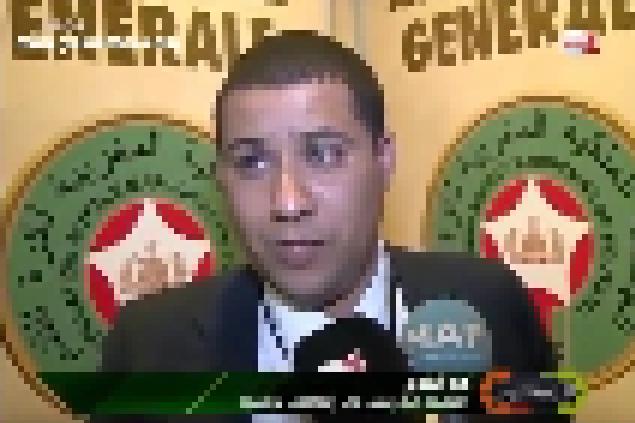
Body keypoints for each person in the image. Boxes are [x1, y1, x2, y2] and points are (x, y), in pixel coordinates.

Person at [97, 31, 565, 423]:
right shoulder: (146, 345)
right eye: (252, 161)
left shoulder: (492, 304)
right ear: (221, 177)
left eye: (324, 154)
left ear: (384, 161)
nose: (288, 203)